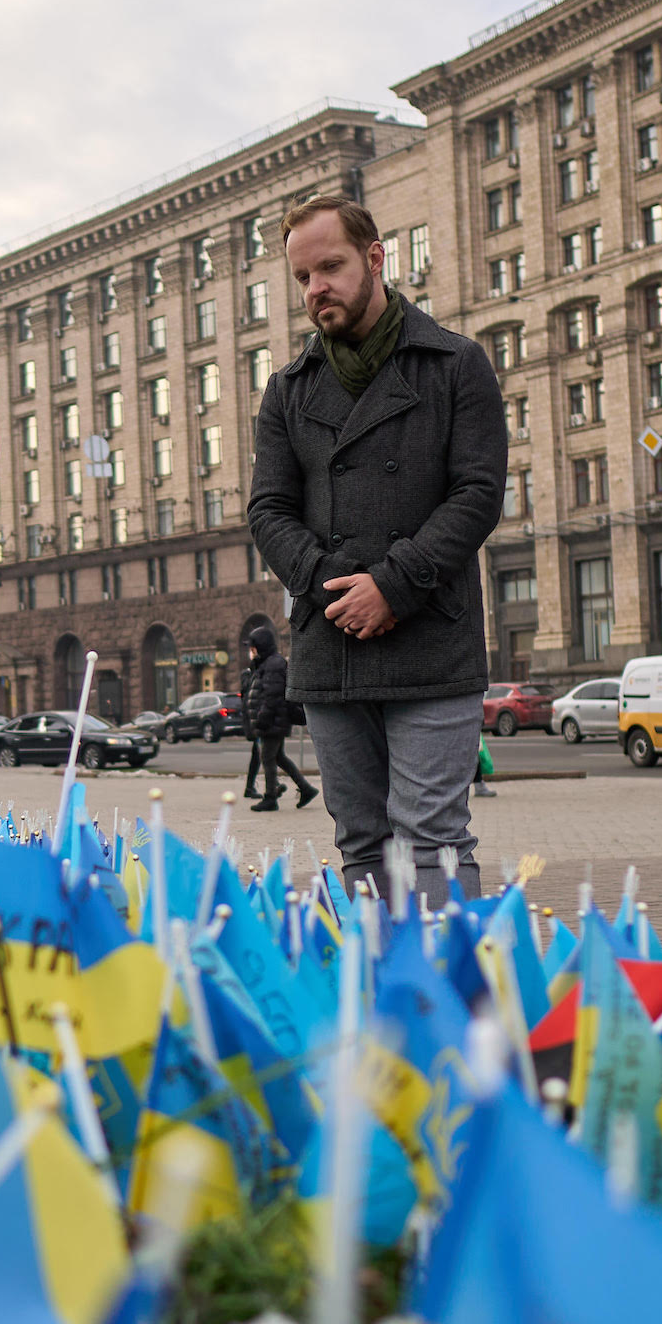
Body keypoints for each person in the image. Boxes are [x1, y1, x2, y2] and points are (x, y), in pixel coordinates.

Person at [247, 192, 506, 900]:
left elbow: (477, 494)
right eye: (301, 277)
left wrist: (391, 586)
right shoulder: (287, 391)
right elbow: (268, 510)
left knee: (431, 839)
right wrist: (339, 587)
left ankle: (445, 1001)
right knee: (360, 841)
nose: (315, 289)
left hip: (429, 640)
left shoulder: (455, 365)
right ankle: (375, 999)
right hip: (333, 646)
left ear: (374, 257)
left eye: (329, 267)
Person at [240, 625, 315, 812]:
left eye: (253, 647)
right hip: (272, 720)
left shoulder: (273, 664)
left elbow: (272, 696)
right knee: (278, 757)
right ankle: (306, 788)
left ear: (262, 645)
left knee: (267, 757)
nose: (251, 651)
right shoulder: (266, 663)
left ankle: (270, 798)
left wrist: (262, 719)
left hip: (273, 721)